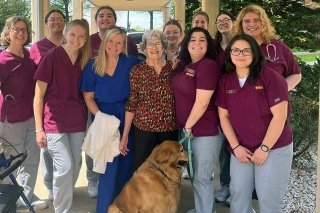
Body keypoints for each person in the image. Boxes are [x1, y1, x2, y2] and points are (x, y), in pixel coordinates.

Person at [216, 34, 293, 213]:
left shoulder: (270, 77)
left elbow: (279, 117)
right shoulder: (226, 81)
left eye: (246, 50)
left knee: (268, 199)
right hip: (242, 148)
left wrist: (264, 148)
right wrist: (235, 147)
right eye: (235, 50)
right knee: (238, 195)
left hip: (273, 147)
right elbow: (224, 117)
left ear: (255, 53)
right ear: (229, 54)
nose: (240, 54)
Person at [80, 27, 140, 213]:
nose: (114, 46)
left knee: (126, 164)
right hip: (103, 116)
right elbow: (88, 97)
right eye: (111, 41)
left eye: (119, 42)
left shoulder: (131, 63)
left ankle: (122, 208)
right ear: (104, 42)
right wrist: (102, 119)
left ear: (124, 46)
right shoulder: (93, 66)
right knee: (108, 167)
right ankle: (104, 209)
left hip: (127, 116)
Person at [33, 19, 91, 213]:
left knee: (75, 166)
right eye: (73, 34)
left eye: (81, 35)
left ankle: (63, 194)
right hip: (53, 121)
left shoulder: (84, 59)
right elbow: (38, 95)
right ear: (65, 33)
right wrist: (38, 129)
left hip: (77, 121)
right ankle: (62, 210)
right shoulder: (51, 57)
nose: (76, 39)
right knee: (64, 167)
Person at [172, 27, 223, 213]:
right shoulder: (185, 66)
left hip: (204, 131)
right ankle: (203, 207)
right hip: (188, 130)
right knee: (194, 174)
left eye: (202, 40)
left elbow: (202, 102)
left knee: (202, 176)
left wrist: (188, 126)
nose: (197, 43)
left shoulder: (208, 65)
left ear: (208, 45)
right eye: (193, 39)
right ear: (186, 43)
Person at [0, 16, 48, 210]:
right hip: (10, 120)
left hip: (32, 118)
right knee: (10, 163)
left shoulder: (30, 57)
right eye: (16, 29)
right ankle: (7, 199)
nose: (20, 32)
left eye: (24, 30)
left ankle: (25, 196)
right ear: (8, 32)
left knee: (31, 159)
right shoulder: (2, 60)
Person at [124, 30, 178, 172]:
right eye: (150, 44)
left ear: (164, 47)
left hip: (169, 127)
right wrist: (124, 135)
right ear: (144, 48)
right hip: (144, 127)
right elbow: (132, 103)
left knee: (168, 168)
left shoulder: (173, 68)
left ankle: (167, 194)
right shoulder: (137, 71)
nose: (154, 48)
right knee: (142, 168)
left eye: (158, 44)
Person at [29, 9, 65, 201]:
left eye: (60, 19)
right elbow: (31, 75)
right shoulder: (37, 47)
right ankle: (50, 184)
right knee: (48, 150)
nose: (56, 22)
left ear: (64, 23)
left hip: (71, 104)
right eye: (52, 19)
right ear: (46, 23)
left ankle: (63, 185)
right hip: (47, 104)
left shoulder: (72, 43)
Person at [234, 4, 301, 91]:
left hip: (276, 103)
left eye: (256, 20)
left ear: (263, 22)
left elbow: (296, 74)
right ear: (241, 24)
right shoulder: (235, 49)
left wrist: (280, 90)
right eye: (247, 21)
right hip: (246, 102)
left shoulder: (278, 47)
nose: (251, 24)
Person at [213, 11, 235, 204]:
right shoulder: (214, 47)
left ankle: (239, 190)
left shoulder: (241, 43)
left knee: (240, 144)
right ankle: (226, 185)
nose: (223, 23)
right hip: (219, 101)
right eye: (219, 21)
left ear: (233, 23)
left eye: (226, 20)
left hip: (239, 100)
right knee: (224, 147)